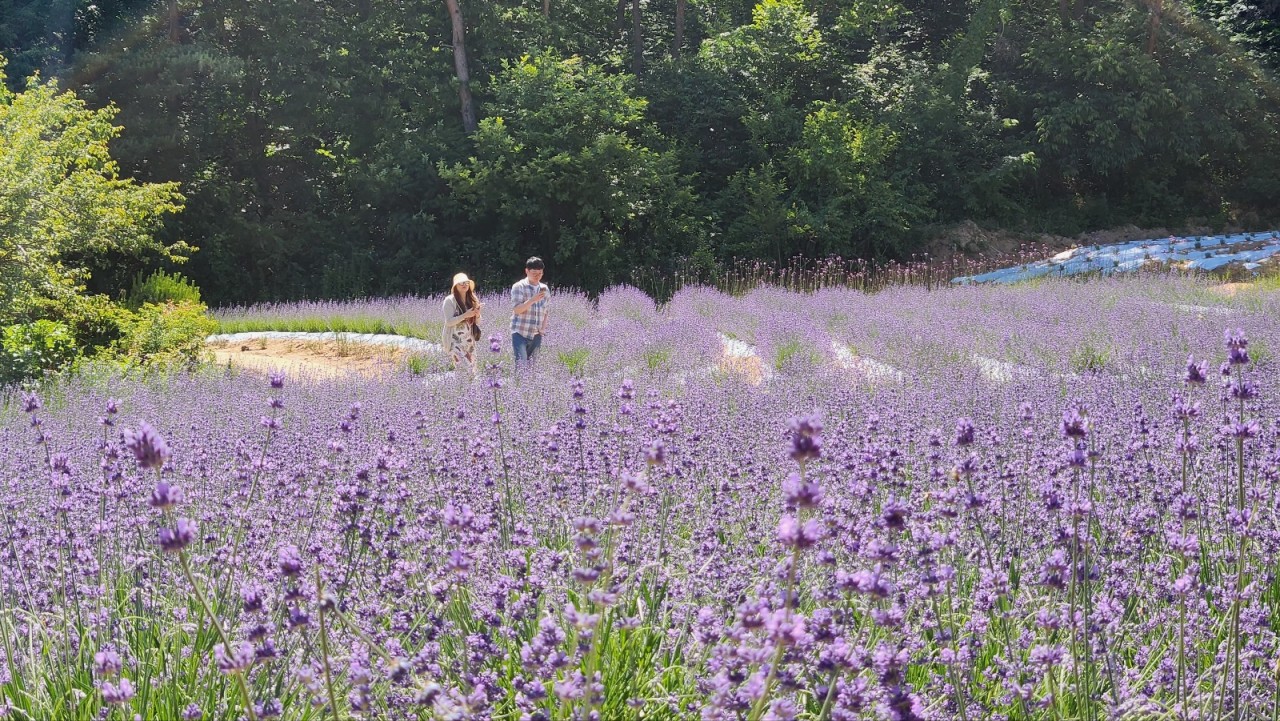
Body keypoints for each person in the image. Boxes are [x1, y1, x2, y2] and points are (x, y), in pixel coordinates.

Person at [510, 256, 549, 368]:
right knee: (521, 366)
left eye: (540, 273)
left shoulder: (544, 288)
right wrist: (532, 300)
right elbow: (517, 309)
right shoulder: (519, 287)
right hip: (520, 332)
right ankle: (518, 385)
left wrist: (543, 328)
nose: (537, 276)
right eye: (534, 274)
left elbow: (546, 311)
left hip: (536, 334)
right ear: (527, 271)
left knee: (532, 367)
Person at [442, 272, 482, 376]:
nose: (464, 285)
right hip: (454, 341)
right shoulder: (449, 301)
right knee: (462, 369)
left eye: (466, 283)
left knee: (472, 371)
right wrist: (465, 315)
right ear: (456, 286)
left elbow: (478, 322)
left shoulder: (473, 299)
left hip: (469, 340)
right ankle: (462, 390)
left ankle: (470, 392)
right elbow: (449, 322)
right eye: (461, 283)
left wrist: (477, 314)